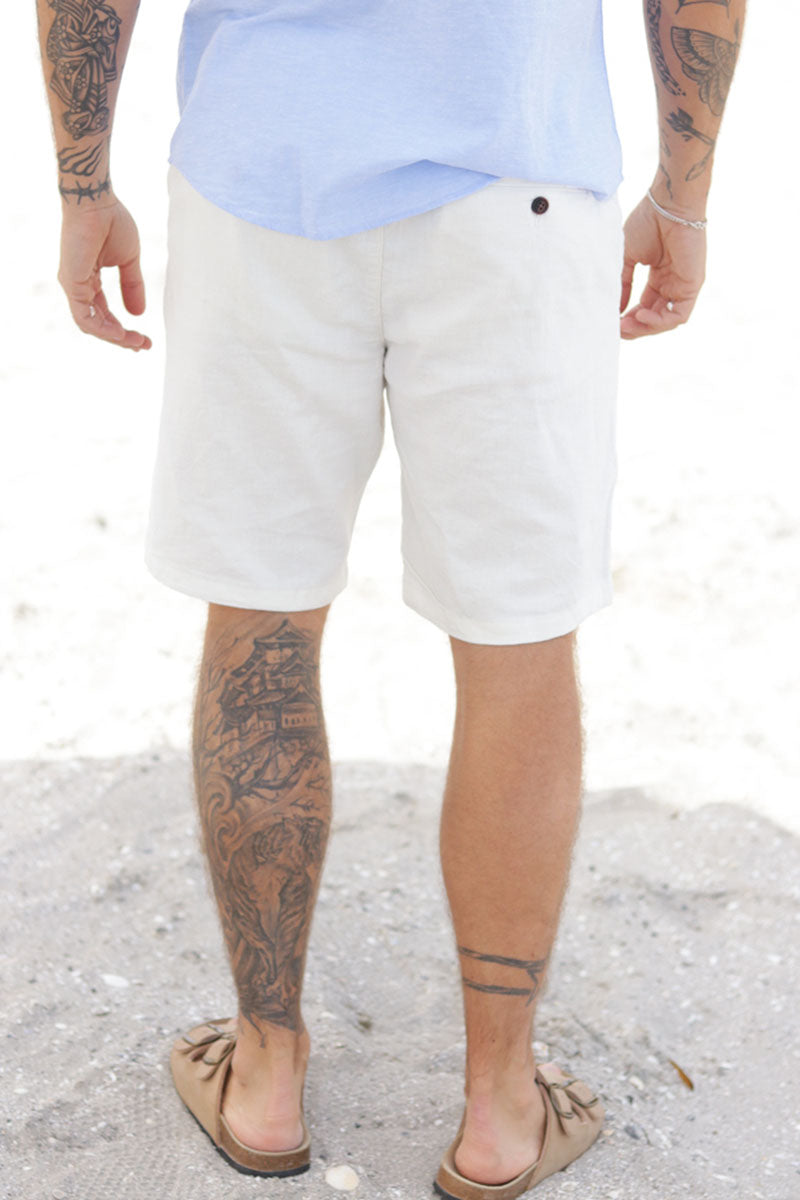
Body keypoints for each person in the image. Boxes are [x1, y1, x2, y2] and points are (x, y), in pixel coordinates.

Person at [36, 0, 746, 1193]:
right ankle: (498, 1109)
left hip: (263, 182)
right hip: (516, 195)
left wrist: (81, 186)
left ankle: (265, 1077)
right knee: (516, 647)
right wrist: (683, 196)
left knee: (261, 622)